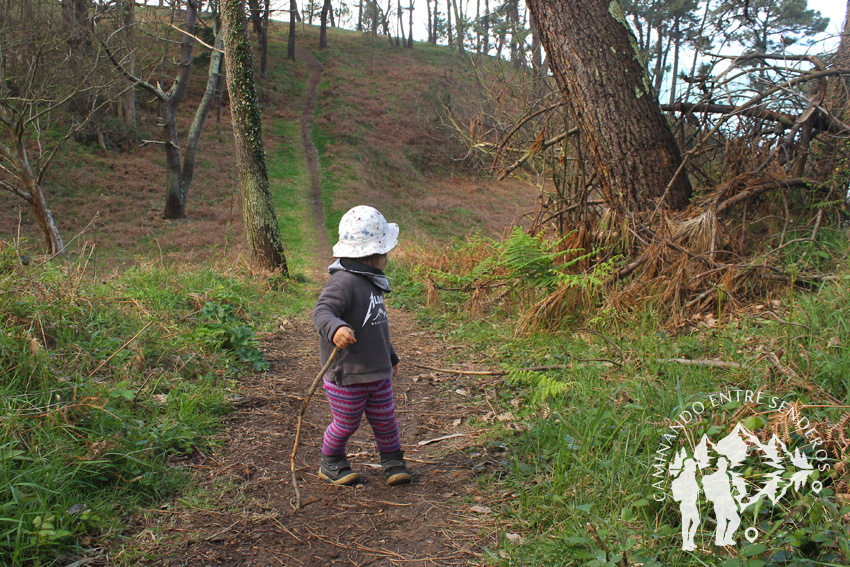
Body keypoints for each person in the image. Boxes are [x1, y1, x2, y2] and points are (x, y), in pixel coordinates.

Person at [312, 205, 411, 486]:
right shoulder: (343, 282)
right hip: (349, 375)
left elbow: (378, 325)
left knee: (386, 421)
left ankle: (393, 461)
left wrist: (389, 356)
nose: (387, 257)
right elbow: (322, 312)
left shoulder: (372, 282)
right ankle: (331, 461)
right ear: (374, 255)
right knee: (346, 424)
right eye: (386, 253)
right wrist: (336, 328)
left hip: (377, 373)